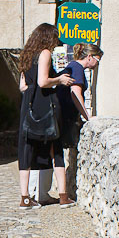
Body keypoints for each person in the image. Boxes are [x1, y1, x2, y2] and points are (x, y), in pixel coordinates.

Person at [17, 23, 76, 209]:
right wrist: (60, 79)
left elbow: (23, 87)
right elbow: (43, 81)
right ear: (48, 38)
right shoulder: (45, 53)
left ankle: (25, 198)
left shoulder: (26, 56)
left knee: (26, 150)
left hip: (29, 105)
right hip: (45, 105)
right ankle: (63, 197)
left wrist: (31, 92)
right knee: (55, 148)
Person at [56, 42, 103, 201]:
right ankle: (63, 195)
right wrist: (87, 117)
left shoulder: (72, 66)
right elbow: (76, 94)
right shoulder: (77, 68)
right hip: (64, 115)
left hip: (60, 114)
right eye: (97, 59)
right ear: (89, 57)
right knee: (58, 153)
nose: (97, 64)